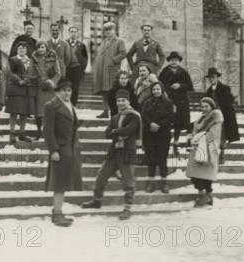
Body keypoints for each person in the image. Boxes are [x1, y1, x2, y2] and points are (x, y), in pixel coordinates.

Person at [81, 89, 142, 220]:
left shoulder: (134, 116)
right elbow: (107, 133)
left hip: (127, 153)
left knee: (128, 181)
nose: (120, 103)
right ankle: (96, 200)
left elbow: (129, 129)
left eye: (123, 100)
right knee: (101, 175)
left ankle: (127, 208)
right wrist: (117, 132)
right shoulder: (115, 117)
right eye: (118, 100)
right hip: (114, 152)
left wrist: (115, 131)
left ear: (128, 101)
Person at [44, 78, 82, 227]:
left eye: (69, 90)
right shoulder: (51, 106)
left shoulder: (69, 105)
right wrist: (53, 150)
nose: (67, 93)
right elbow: (48, 130)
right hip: (60, 149)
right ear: (57, 91)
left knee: (64, 182)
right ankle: (57, 214)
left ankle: (57, 210)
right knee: (59, 184)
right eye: (64, 90)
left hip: (70, 148)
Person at [186, 97, 224, 207]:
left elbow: (212, 134)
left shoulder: (216, 118)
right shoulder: (202, 118)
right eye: (202, 106)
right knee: (195, 173)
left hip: (209, 148)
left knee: (205, 174)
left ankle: (205, 195)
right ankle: (205, 195)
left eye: (206, 106)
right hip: (199, 147)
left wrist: (196, 139)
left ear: (212, 107)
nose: (204, 108)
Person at [141, 82, 174, 193]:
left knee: (162, 159)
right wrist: (150, 124)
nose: (156, 91)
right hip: (150, 133)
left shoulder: (168, 102)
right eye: (154, 89)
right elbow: (144, 115)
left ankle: (164, 183)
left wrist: (159, 125)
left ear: (162, 90)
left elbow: (171, 117)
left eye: (158, 89)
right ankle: (151, 183)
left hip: (163, 134)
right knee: (151, 158)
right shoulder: (147, 103)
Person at [205, 67, 241, 163]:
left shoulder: (224, 88)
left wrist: (220, 106)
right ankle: (213, 154)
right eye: (210, 78)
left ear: (217, 77)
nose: (212, 79)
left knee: (223, 133)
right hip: (213, 115)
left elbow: (230, 99)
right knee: (212, 132)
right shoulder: (209, 91)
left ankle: (222, 153)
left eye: (213, 77)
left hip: (224, 113)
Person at [158, 51, 194, 146]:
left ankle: (176, 141)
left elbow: (190, 86)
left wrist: (180, 86)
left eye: (176, 60)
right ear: (169, 61)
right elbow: (159, 84)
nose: (174, 62)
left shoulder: (184, 72)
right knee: (168, 121)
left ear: (179, 62)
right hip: (168, 100)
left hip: (181, 101)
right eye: (172, 60)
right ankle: (166, 141)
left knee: (179, 122)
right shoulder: (164, 72)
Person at [5, 42, 37, 143]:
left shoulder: (30, 60)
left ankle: (22, 133)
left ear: (26, 50)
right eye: (20, 48)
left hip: (26, 89)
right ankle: (12, 133)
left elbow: (32, 72)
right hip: (15, 89)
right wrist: (18, 80)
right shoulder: (13, 59)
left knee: (24, 112)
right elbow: (9, 72)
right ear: (17, 50)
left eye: (23, 48)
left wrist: (27, 80)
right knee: (14, 112)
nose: (22, 50)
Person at [93, 21, 126, 119]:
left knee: (112, 90)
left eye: (109, 29)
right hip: (102, 69)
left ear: (114, 30)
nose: (108, 31)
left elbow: (123, 53)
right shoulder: (104, 41)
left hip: (112, 70)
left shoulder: (119, 41)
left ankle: (115, 111)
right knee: (104, 91)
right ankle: (105, 111)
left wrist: (114, 60)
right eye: (106, 30)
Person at [32, 40, 61, 141]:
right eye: (39, 47)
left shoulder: (52, 58)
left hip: (49, 88)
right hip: (38, 87)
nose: (41, 49)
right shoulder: (34, 58)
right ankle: (39, 132)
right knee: (38, 112)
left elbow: (58, 73)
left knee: (48, 111)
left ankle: (48, 133)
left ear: (46, 48)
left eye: (43, 47)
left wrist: (51, 82)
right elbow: (31, 71)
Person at [66, 26, 88, 106]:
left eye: (75, 32)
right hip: (67, 69)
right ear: (69, 33)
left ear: (77, 33)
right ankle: (66, 104)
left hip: (77, 69)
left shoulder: (81, 45)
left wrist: (82, 68)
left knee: (75, 87)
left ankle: (73, 104)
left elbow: (85, 58)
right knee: (66, 86)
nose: (73, 33)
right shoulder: (65, 43)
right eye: (71, 32)